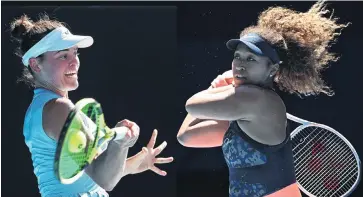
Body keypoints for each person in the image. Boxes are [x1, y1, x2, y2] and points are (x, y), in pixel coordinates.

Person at [177, 1, 348, 197]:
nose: (240, 64)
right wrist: (220, 87)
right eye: (237, 56)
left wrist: (218, 84)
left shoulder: (256, 100)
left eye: (251, 59)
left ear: (273, 69)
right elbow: (186, 136)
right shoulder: (243, 112)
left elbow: (192, 105)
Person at [11, 14, 173, 197]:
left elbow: (90, 174)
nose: (74, 61)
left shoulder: (47, 108)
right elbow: (104, 178)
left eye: (75, 53)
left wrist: (136, 163)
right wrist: (120, 143)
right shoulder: (58, 109)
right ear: (36, 64)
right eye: (63, 55)